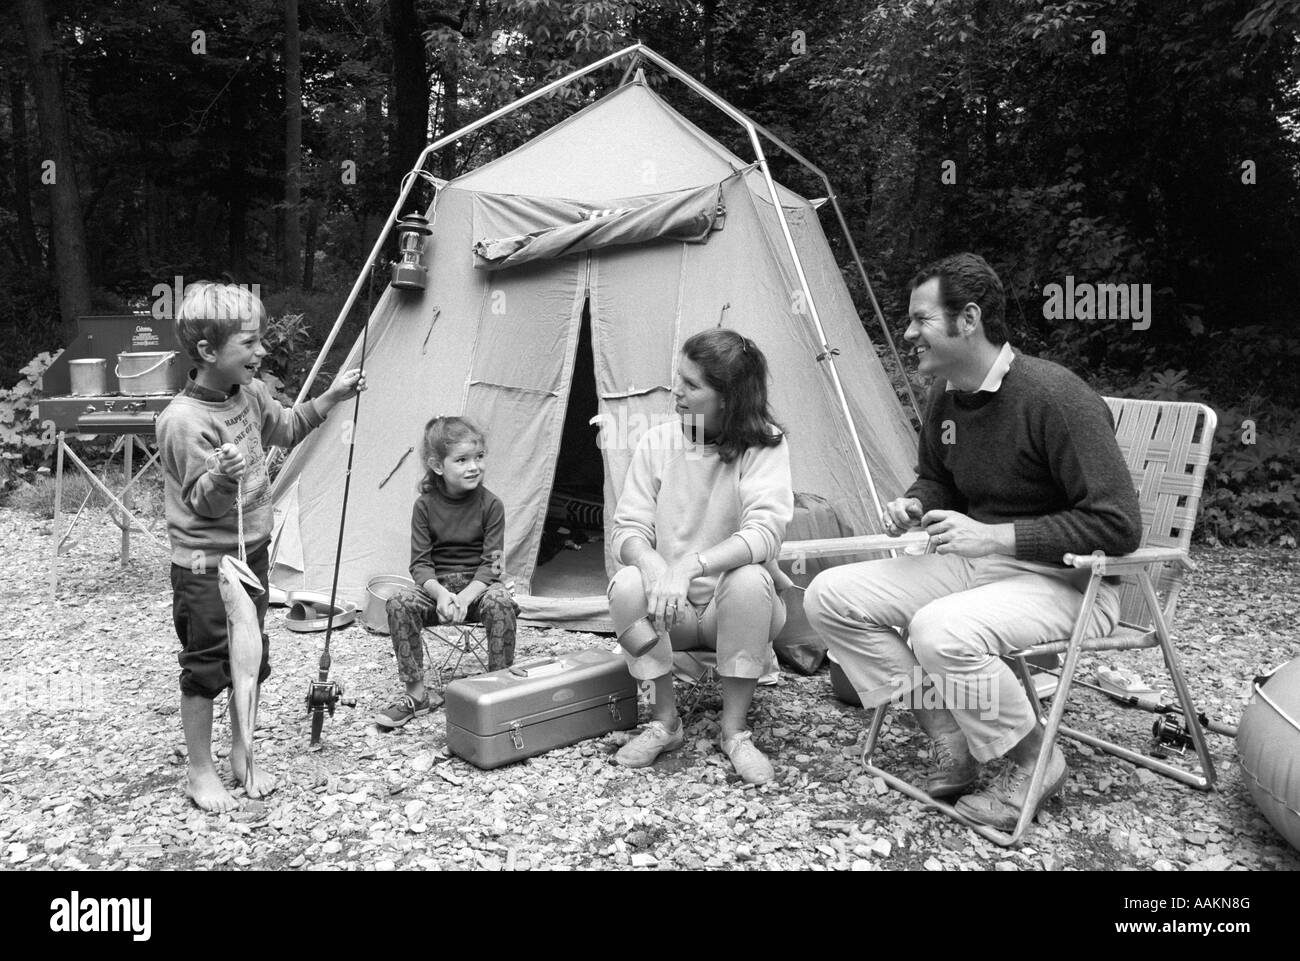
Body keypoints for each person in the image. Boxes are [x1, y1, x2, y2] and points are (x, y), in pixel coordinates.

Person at [805, 252, 1142, 830]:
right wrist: (917, 503)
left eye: (920, 319)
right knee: (828, 595)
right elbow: (939, 478)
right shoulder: (947, 396)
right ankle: (948, 734)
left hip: (1066, 581)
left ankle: (1037, 759)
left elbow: (1117, 526)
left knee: (938, 629)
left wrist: (994, 536)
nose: (908, 333)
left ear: (969, 320)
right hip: (976, 566)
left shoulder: (1054, 396)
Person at [158, 281, 364, 812]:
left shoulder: (248, 394)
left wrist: (332, 396)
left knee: (249, 659)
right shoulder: (183, 422)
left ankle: (241, 752)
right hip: (206, 565)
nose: (261, 352)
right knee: (207, 666)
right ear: (207, 352)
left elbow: (288, 427)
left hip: (250, 554)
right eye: (248, 344)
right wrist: (224, 477)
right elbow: (202, 506)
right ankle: (199, 771)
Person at [608, 328, 794, 785]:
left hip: (735, 607)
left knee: (750, 578)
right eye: (679, 379)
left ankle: (735, 732)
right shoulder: (657, 442)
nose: (678, 392)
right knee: (630, 581)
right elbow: (627, 529)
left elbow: (766, 532)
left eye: (692, 385)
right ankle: (665, 721)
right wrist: (655, 567)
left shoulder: (763, 444)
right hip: (671, 612)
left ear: (728, 397)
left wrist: (691, 564)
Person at [375, 416, 518, 729]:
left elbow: (493, 565)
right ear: (437, 466)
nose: (473, 467)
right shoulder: (424, 506)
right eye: (462, 460)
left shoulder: (491, 505)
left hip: (479, 588)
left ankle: (499, 689)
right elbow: (420, 564)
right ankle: (416, 695)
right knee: (398, 602)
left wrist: (467, 596)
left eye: (479, 457)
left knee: (501, 602)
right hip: (437, 589)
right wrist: (440, 594)